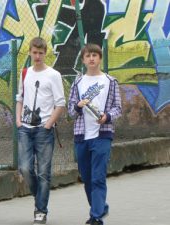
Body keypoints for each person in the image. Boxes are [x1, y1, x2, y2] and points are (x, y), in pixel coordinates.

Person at [68, 43, 122, 225]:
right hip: (81, 136)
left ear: (100, 58)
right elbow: (70, 110)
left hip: (102, 135)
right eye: (88, 56)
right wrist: (77, 106)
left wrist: (107, 117)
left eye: (95, 55)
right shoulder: (78, 83)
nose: (91, 58)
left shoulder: (110, 81)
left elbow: (118, 108)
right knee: (87, 178)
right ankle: (100, 207)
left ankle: (96, 216)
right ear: (83, 60)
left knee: (98, 176)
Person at [16, 37, 65, 224]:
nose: (37, 56)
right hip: (25, 128)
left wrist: (48, 124)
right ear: (29, 52)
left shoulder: (53, 75)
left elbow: (60, 103)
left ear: (45, 54)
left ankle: (41, 211)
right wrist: (18, 121)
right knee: (25, 168)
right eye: (34, 52)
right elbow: (20, 97)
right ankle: (39, 199)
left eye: (41, 53)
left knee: (44, 172)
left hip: (44, 129)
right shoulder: (25, 73)